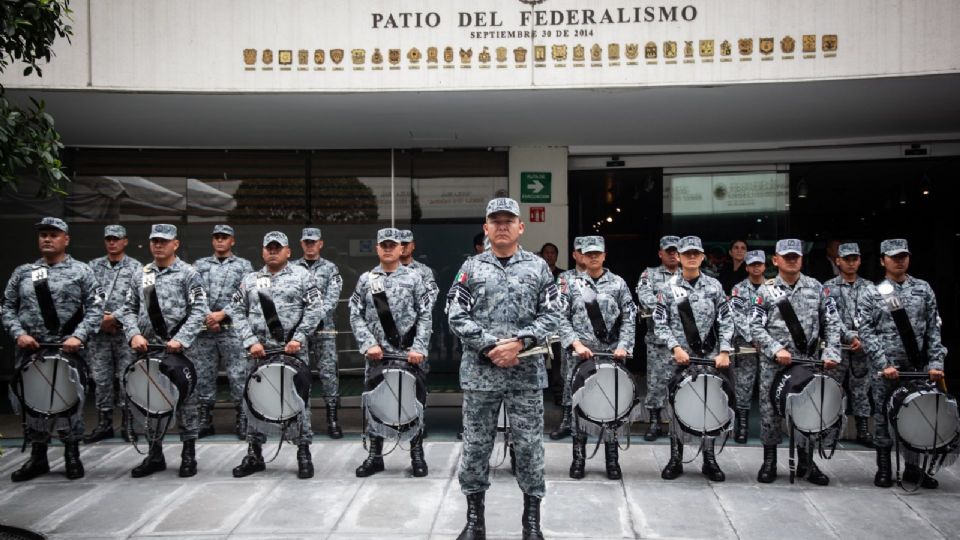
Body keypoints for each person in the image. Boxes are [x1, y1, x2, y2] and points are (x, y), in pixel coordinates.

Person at [447, 198, 560, 540]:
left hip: (525, 376)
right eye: (494, 221)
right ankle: (474, 521)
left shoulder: (539, 268)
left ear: (520, 227)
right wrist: (491, 346)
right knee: (476, 446)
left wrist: (520, 344)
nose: (501, 226)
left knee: (528, 447)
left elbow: (554, 314)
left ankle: (531, 523)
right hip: (481, 375)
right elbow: (455, 314)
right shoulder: (471, 268)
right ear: (486, 228)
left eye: (508, 220)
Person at [3, 217, 103, 482]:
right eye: (43, 235)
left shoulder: (82, 271)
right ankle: (38, 457)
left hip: (68, 350)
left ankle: (72, 454)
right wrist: (18, 334)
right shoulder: (23, 272)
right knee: (33, 402)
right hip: (31, 350)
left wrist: (79, 336)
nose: (47, 239)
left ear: (66, 239)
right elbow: (7, 307)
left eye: (53, 234)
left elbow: (95, 309)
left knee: (69, 401)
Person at [229, 231, 324, 479]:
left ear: (288, 252)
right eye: (268, 247)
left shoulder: (303, 277)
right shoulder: (249, 280)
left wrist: (298, 338)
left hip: (292, 352)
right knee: (254, 401)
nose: (272, 251)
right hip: (258, 354)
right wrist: (250, 341)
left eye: (277, 247)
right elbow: (236, 311)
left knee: (298, 402)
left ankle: (303, 452)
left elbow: (315, 309)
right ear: (263, 251)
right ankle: (254, 453)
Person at [749, 238, 841, 485]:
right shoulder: (766, 290)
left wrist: (831, 351)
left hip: (808, 361)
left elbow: (832, 322)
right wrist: (775, 348)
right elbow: (754, 326)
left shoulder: (817, 288)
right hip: (774, 363)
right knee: (769, 412)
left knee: (806, 409)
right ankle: (769, 461)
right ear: (776, 260)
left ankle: (806, 462)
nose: (791, 260)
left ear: (801, 259)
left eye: (795, 257)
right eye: (787, 256)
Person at [857, 239, 948, 489]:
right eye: (894, 256)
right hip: (886, 368)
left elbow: (933, 329)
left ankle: (913, 468)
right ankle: (884, 468)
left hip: (917, 367)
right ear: (882, 260)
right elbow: (866, 331)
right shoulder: (872, 292)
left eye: (903, 256)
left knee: (917, 416)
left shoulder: (923, 289)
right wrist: (883, 363)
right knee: (883, 416)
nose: (900, 260)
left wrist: (935, 362)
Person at [120, 224, 207, 478]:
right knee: (150, 401)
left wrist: (181, 339)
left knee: (186, 403)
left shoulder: (189, 274)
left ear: (175, 244)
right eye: (155, 241)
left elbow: (200, 309)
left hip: (180, 351)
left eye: (164, 241)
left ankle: (188, 454)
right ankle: (154, 454)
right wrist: (133, 334)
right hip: (147, 350)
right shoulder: (141, 274)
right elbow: (127, 309)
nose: (159, 245)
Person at [351, 228, 433, 478]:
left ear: (402, 249)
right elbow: (355, 314)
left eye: (392, 245)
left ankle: (416, 454)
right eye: (383, 245)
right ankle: (375, 456)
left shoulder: (415, 278)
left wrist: (419, 347)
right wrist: (368, 344)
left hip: (409, 356)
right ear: (377, 248)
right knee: (377, 403)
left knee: (413, 403)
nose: (388, 249)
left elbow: (426, 315)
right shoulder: (366, 280)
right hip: (378, 356)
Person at [654, 236, 735, 482]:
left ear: (702, 257)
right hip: (679, 358)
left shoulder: (715, 287)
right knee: (677, 404)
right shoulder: (667, 289)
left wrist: (724, 351)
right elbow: (659, 322)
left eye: (695, 253)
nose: (691, 257)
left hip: (710, 358)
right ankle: (675, 457)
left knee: (709, 406)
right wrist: (675, 346)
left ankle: (709, 459)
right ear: (678, 257)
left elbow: (726, 320)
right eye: (686, 253)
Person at [559, 236, 636, 480]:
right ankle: (578, 458)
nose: (592, 257)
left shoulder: (618, 283)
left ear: (604, 255)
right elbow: (560, 317)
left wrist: (624, 345)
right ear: (581, 256)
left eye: (597, 253)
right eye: (588, 253)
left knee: (611, 406)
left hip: (611, 354)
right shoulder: (572, 284)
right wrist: (575, 343)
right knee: (579, 406)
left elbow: (629, 317)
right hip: (580, 355)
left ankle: (612, 460)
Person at [193, 224, 254, 439]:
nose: (220, 240)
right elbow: (194, 294)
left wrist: (223, 314)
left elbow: (245, 295)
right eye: (217, 237)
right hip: (205, 330)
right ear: (212, 240)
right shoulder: (199, 265)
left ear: (232, 241)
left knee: (238, 375)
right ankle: (204, 419)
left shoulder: (243, 266)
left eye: (225, 237)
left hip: (232, 330)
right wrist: (209, 316)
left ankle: (242, 418)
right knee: (203, 375)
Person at [84, 224, 143, 443]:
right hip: (99, 334)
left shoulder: (137, 268)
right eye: (109, 239)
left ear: (125, 241)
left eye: (116, 239)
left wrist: (114, 318)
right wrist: (100, 320)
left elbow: (137, 300)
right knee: (101, 379)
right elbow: (85, 297)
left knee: (126, 377)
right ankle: (104, 423)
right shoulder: (92, 267)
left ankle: (128, 424)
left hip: (124, 333)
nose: (112, 242)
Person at [293, 227, 344, 439]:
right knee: (299, 374)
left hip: (324, 329)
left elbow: (332, 299)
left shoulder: (331, 269)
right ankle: (301, 421)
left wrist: (313, 320)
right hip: (299, 332)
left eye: (313, 242)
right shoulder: (292, 268)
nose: (310, 245)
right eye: (307, 242)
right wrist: (304, 324)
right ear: (301, 244)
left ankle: (332, 419)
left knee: (328, 373)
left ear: (320, 244)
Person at [822, 243, 873, 447]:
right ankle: (829, 430)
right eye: (847, 259)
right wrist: (850, 336)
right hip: (839, 348)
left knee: (861, 390)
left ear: (859, 261)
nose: (851, 263)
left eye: (854, 259)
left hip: (862, 348)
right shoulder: (828, 287)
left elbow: (874, 317)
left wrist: (863, 338)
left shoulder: (870, 287)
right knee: (833, 389)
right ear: (838, 261)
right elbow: (830, 317)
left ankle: (862, 431)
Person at [636, 235, 680, 441]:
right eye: (668, 251)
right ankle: (654, 422)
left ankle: (680, 421)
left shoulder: (688, 275)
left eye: (676, 250)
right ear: (660, 253)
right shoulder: (650, 274)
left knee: (683, 382)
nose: (672, 254)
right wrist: (668, 310)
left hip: (684, 341)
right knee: (656, 382)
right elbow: (644, 296)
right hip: (658, 342)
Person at [549, 236, 585, 440]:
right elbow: (559, 313)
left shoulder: (612, 281)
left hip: (602, 347)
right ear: (574, 254)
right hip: (572, 344)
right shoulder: (565, 279)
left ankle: (592, 423)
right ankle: (566, 422)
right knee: (568, 383)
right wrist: (573, 340)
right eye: (581, 251)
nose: (586, 255)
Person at [728, 249, 767, 443]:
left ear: (765, 266)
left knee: (768, 387)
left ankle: (768, 429)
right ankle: (741, 427)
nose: (756, 267)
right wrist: (754, 338)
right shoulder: (738, 289)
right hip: (746, 347)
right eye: (752, 264)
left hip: (770, 347)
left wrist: (766, 340)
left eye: (759, 264)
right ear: (747, 267)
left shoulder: (774, 288)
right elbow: (737, 315)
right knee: (743, 387)